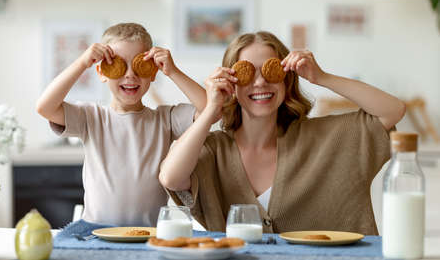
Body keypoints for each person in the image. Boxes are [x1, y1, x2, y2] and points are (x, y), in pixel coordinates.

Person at [159, 31, 406, 235]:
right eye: (248, 72)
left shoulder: (329, 138)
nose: (259, 82)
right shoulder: (214, 150)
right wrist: (213, 108)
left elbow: (392, 111)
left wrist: (322, 77)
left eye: (269, 71)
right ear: (231, 85)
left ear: (286, 81)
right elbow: (171, 178)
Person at [36, 23, 209, 226]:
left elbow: (209, 109)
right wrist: (82, 63)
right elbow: (45, 107)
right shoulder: (91, 117)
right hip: (96, 233)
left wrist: (173, 72)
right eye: (119, 64)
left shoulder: (166, 118)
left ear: (153, 72)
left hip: (148, 236)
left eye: (137, 65)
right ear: (101, 72)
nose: (130, 74)